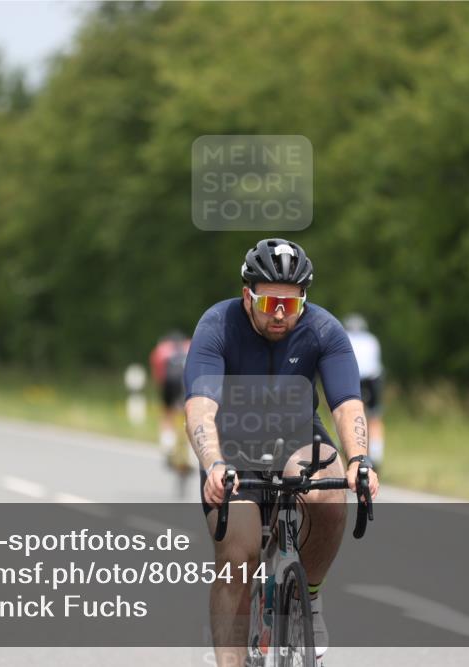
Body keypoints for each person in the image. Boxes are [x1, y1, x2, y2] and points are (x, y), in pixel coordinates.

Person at [184, 238, 380, 667]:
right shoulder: (217, 325)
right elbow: (201, 406)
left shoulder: (324, 329)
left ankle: (309, 598)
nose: (279, 314)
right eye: (270, 302)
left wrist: (359, 460)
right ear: (247, 296)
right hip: (232, 446)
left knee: (329, 493)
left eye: (291, 305)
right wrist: (213, 463)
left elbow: (346, 403)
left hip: (295, 437)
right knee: (239, 556)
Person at [343, 313, 386, 467]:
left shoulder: (344, 337)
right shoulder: (371, 339)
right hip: (372, 380)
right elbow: (376, 365)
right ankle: (376, 455)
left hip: (351, 378)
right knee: (374, 417)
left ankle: (346, 449)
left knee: (346, 413)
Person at [149, 330, 192, 472]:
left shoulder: (161, 349)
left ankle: (167, 445)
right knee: (191, 415)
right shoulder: (190, 345)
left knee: (167, 414)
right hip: (187, 382)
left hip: (169, 383)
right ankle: (191, 454)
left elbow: (158, 377)